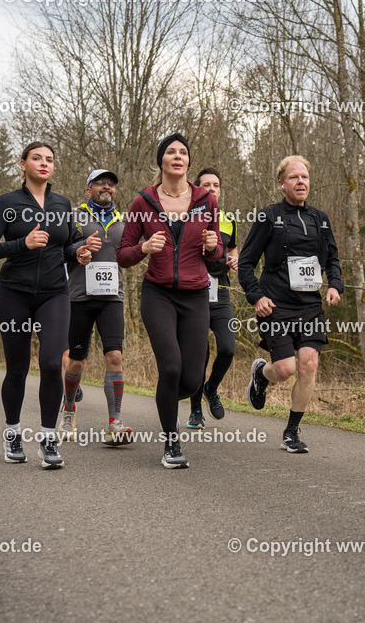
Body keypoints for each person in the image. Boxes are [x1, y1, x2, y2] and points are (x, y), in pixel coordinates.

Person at [0, 142, 93, 469]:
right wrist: (21, 244)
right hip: (15, 292)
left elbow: (68, 246)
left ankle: (47, 439)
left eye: (49, 160)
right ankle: (12, 433)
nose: (44, 163)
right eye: (37, 158)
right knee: (17, 367)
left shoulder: (62, 203)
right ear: (23, 164)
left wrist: (80, 252)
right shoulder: (8, 203)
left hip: (55, 293)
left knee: (50, 360)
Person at [116, 134, 223, 468]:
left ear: (188, 162)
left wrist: (212, 246)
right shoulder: (142, 203)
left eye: (184, 153)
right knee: (171, 367)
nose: (178, 156)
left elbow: (217, 255)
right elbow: (123, 255)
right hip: (158, 294)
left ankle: (166, 398)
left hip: (195, 296)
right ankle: (171, 442)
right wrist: (144, 249)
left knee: (191, 379)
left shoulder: (207, 201)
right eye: (171, 152)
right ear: (161, 160)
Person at [240, 155, 343, 454]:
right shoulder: (269, 216)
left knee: (309, 364)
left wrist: (335, 284)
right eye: (294, 177)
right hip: (276, 305)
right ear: (281, 183)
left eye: (305, 177)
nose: (301, 182)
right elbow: (246, 263)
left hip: (310, 304)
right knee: (284, 370)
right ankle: (262, 374)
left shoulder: (320, 219)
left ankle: (291, 431)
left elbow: (333, 259)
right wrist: (256, 296)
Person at [60, 168, 132, 446]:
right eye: (100, 182)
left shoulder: (124, 222)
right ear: (87, 190)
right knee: (77, 362)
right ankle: (68, 411)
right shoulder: (74, 216)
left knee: (115, 357)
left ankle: (115, 422)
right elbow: (59, 251)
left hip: (112, 298)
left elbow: (130, 254)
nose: (107, 186)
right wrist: (78, 249)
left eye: (111, 184)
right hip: (79, 297)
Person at [187, 167, 238, 430]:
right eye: (206, 185)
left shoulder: (229, 219)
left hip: (221, 292)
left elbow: (233, 247)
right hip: (193, 292)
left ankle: (211, 388)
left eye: (216, 185)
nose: (211, 189)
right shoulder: (187, 216)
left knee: (228, 348)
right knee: (200, 353)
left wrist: (235, 258)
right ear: (197, 189)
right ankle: (195, 408)